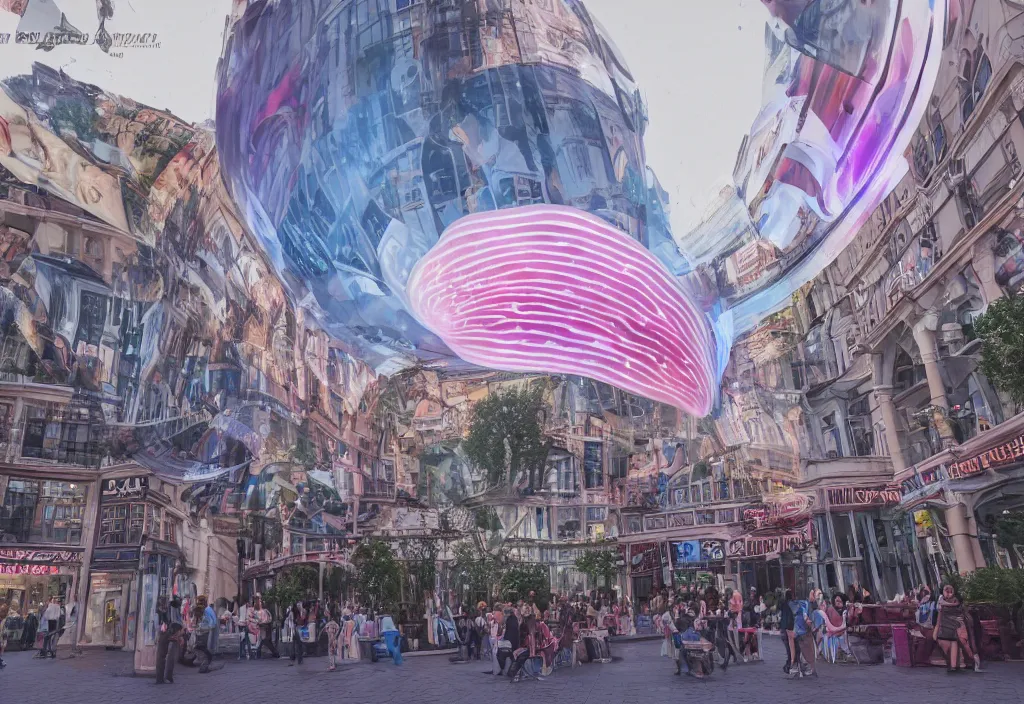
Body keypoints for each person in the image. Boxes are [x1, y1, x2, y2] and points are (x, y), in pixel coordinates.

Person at [935, 583, 981, 673]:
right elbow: (940, 614)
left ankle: (974, 660)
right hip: (947, 626)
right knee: (948, 645)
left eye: (950, 591)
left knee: (964, 643)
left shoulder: (956, 600)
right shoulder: (941, 601)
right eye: (946, 591)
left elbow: (957, 606)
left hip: (960, 624)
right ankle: (954, 665)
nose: (948, 593)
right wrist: (937, 627)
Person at [788, 593, 816, 678]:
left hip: (801, 629)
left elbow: (806, 614)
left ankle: (803, 666)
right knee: (797, 648)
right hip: (797, 629)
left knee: (803, 648)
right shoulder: (795, 604)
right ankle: (797, 666)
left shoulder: (806, 603)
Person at [288, 601, 307, 665]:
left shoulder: (303, 611)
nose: (299, 606)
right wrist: (292, 629)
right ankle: (295, 658)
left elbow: (303, 618)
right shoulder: (293, 612)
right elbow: (291, 621)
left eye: (300, 605)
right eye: (298, 605)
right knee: (297, 644)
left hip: (301, 628)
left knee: (299, 644)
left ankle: (298, 659)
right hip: (296, 628)